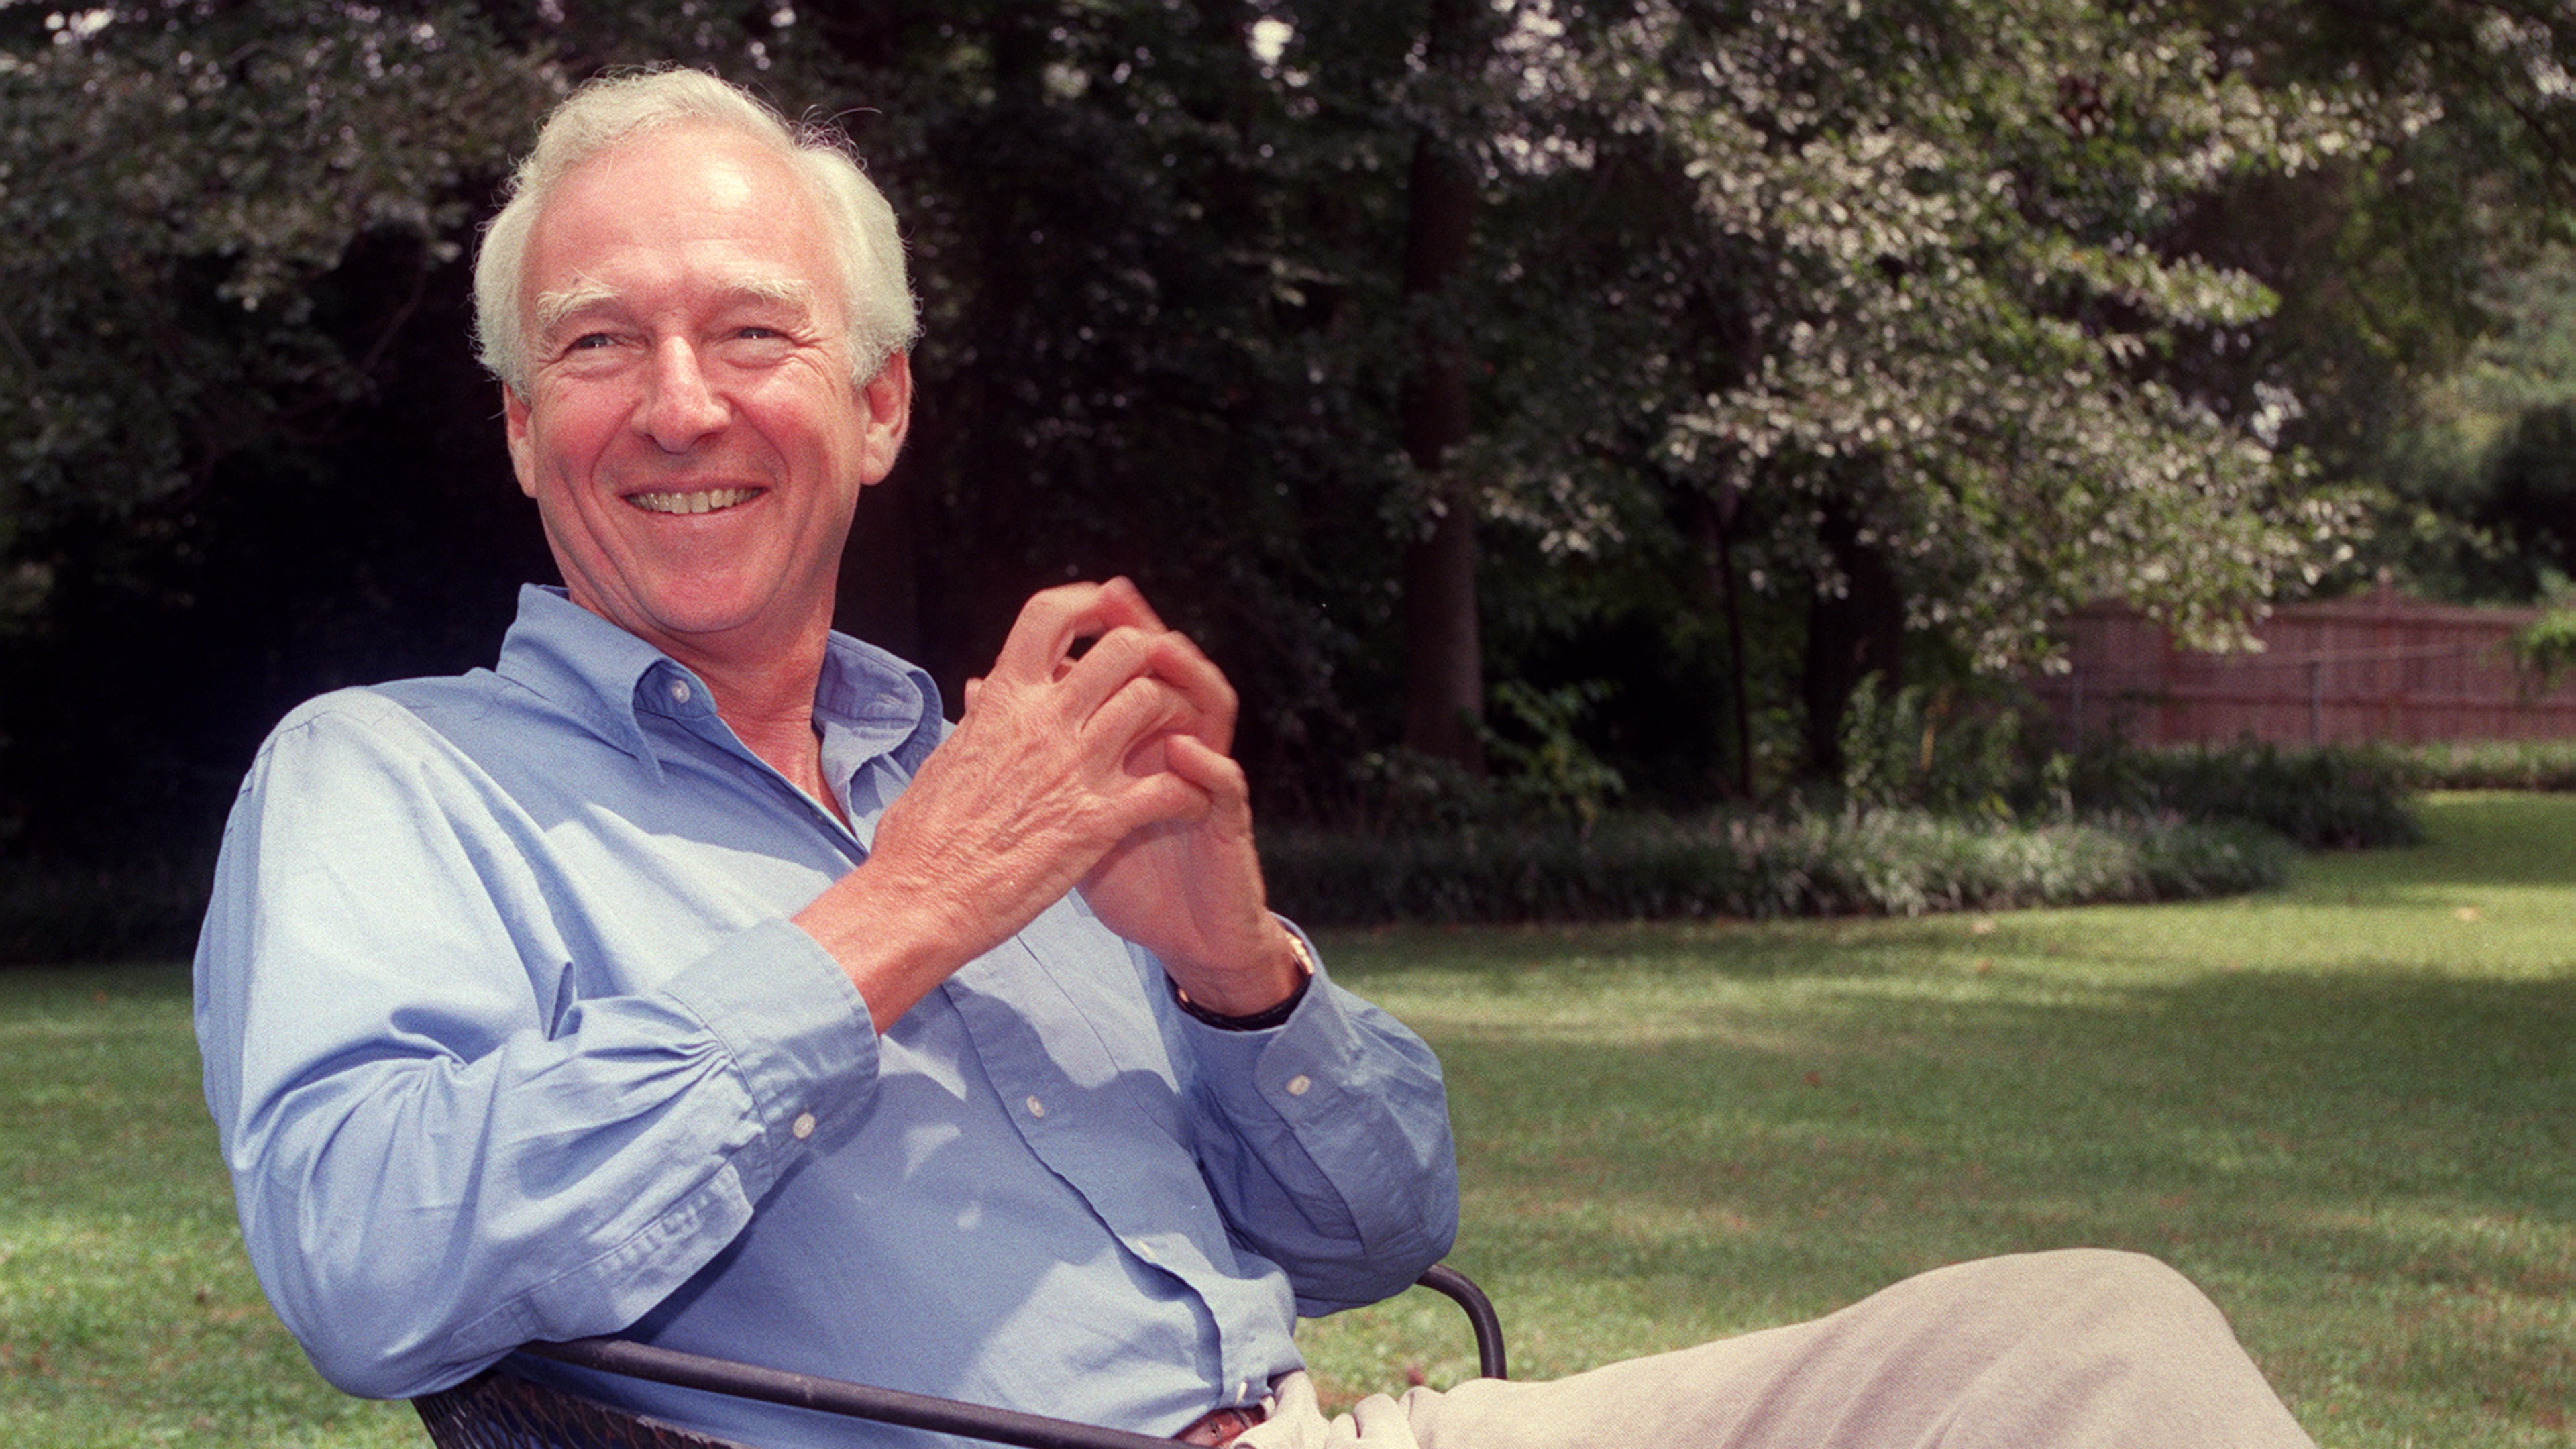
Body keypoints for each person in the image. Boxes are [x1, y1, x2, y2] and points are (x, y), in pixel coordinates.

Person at [195, 68, 2320, 1449]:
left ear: (874, 406)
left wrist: (1233, 967)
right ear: (519, 425)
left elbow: (1391, 1230)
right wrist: (912, 909)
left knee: (2086, 1354)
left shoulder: (993, 751)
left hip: (1332, 1427)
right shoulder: (389, 780)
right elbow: (374, 1266)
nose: (679, 403)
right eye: (598, 346)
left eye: (753, 334)